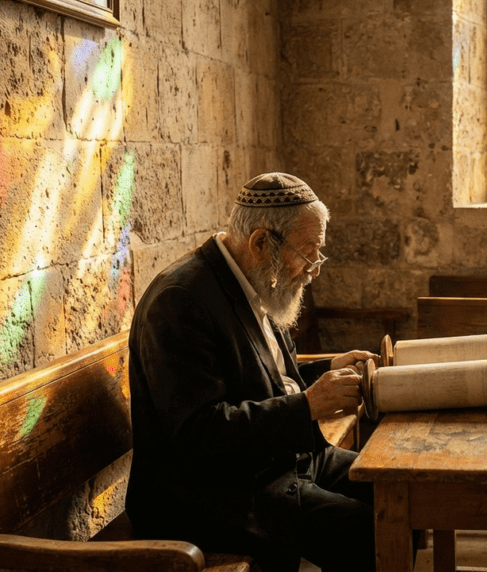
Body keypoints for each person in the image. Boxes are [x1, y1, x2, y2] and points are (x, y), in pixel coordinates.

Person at [125, 172, 377, 572]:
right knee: (368, 532)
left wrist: (327, 369)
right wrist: (310, 405)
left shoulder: (258, 278)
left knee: (398, 493)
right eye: (309, 253)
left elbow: (265, 378)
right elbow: (198, 434)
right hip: (215, 494)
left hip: (279, 461)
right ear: (262, 243)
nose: (314, 269)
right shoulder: (181, 301)